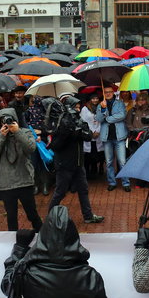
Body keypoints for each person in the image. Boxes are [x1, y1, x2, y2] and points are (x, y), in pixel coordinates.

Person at [46, 96, 105, 224]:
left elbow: (89, 136)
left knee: (83, 190)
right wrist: (66, 133)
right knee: (60, 192)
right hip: (64, 164)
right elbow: (56, 145)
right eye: (75, 107)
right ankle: (49, 217)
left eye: (79, 107)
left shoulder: (78, 120)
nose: (78, 110)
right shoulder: (60, 123)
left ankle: (88, 216)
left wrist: (78, 132)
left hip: (79, 163)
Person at [0, 108, 43, 232]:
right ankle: (14, 242)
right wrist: (2, 136)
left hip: (25, 180)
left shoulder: (25, 132)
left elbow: (31, 149)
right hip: (7, 183)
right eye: (3, 121)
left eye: (8, 120)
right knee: (11, 217)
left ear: (15, 120)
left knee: (32, 214)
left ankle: (43, 237)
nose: (6, 123)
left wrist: (17, 132)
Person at [96, 86, 131, 192]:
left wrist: (108, 119)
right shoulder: (101, 104)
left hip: (119, 136)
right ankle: (112, 182)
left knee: (122, 161)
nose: (108, 93)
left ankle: (126, 182)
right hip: (107, 137)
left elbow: (122, 115)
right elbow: (98, 119)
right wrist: (103, 109)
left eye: (110, 92)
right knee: (109, 161)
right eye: (106, 92)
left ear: (113, 93)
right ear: (103, 93)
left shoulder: (119, 103)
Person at [79, 92, 104, 180]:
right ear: (90, 100)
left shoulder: (101, 108)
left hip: (99, 134)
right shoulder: (84, 109)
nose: (95, 100)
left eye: (97, 98)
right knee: (88, 155)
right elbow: (83, 122)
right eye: (93, 98)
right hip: (89, 134)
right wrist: (92, 132)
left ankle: (96, 170)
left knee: (98, 153)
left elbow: (102, 121)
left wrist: (98, 131)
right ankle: (87, 173)